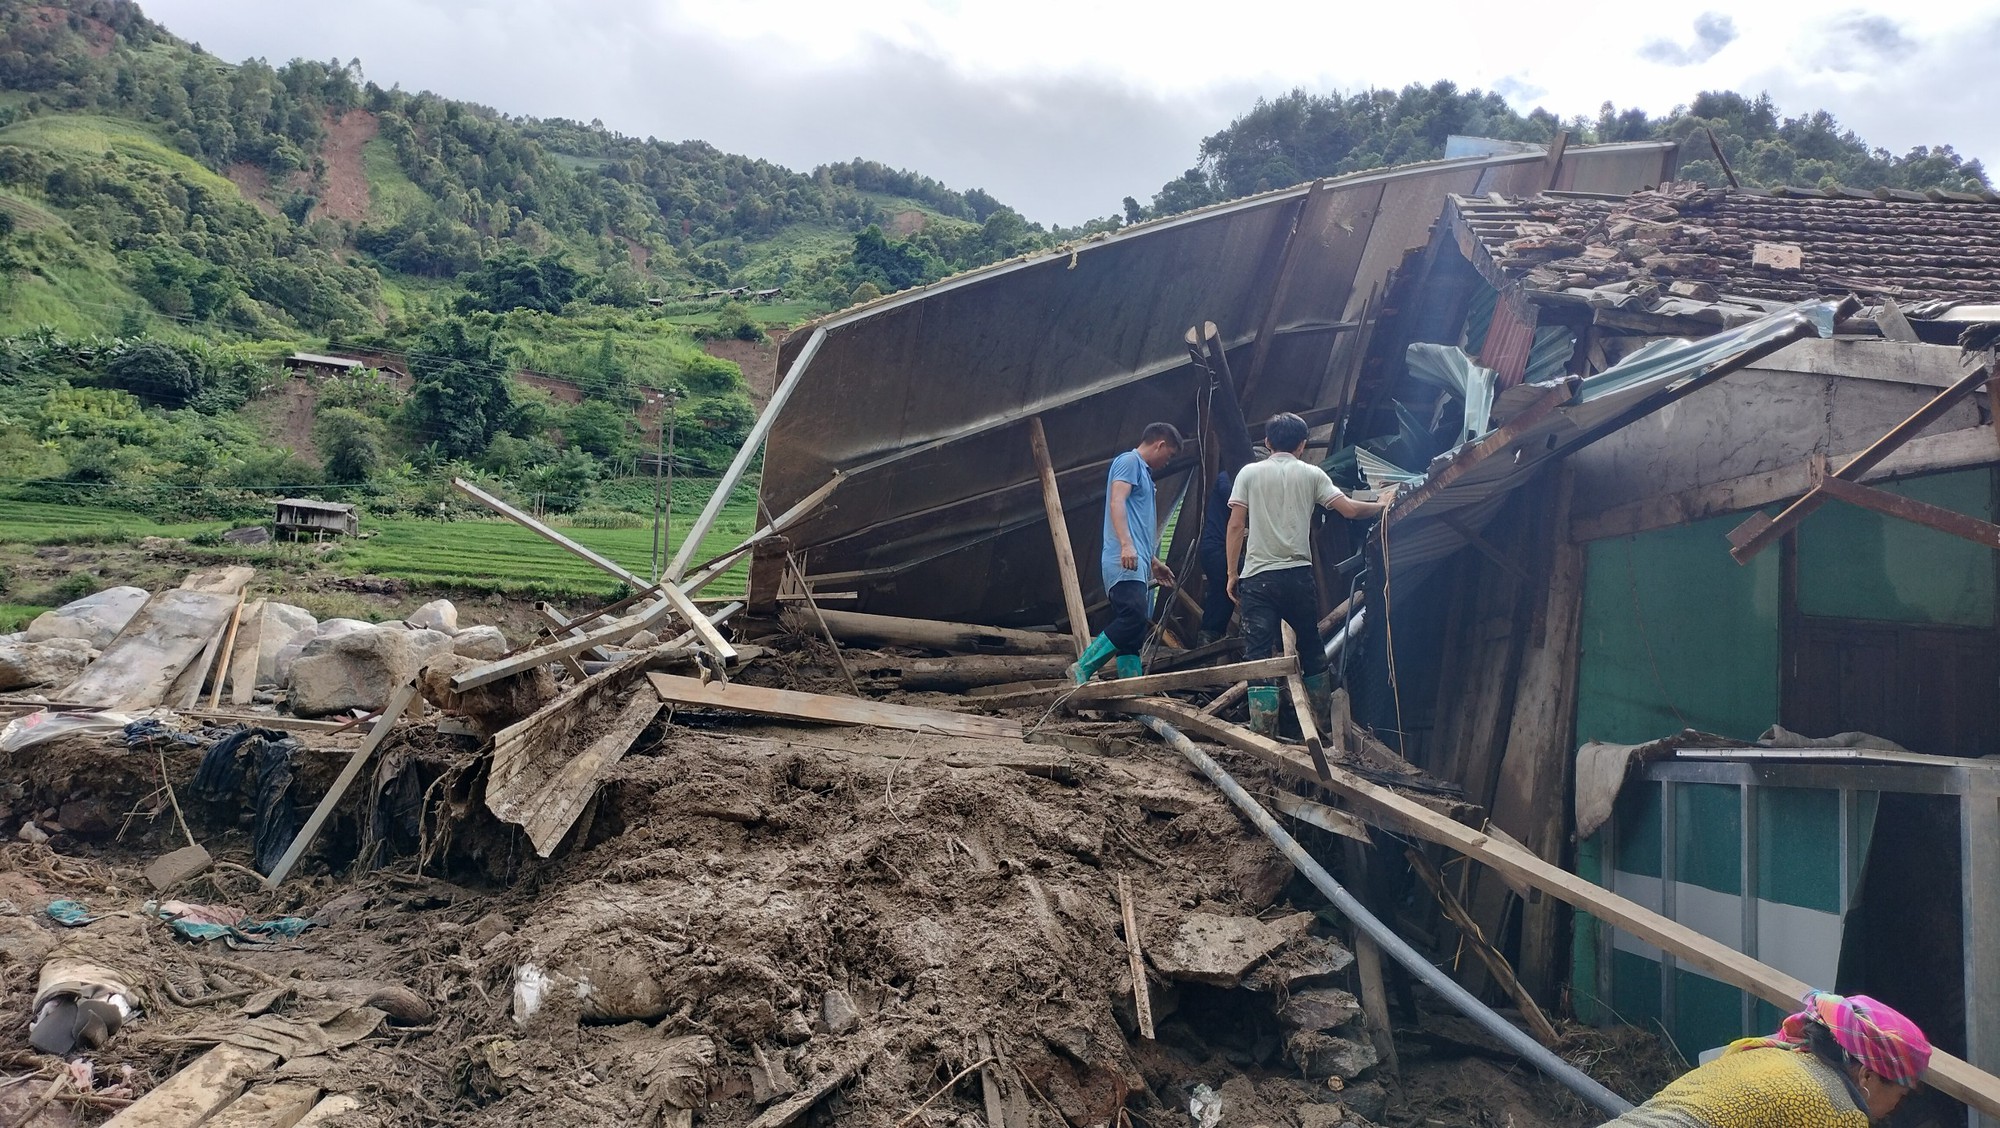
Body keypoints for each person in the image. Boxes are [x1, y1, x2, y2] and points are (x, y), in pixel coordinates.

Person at [1226, 412, 1393, 735]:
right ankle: (1321, 724)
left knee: (1258, 653)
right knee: (1312, 648)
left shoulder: (1249, 473)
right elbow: (1349, 509)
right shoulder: (1312, 474)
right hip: (1298, 576)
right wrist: (1383, 504)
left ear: (1267, 442)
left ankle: (1263, 730)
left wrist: (1233, 573)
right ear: (1302, 445)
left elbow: (1235, 525)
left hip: (1259, 578)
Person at [1598, 989, 1929, 1127]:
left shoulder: (1767, 1053)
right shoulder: (1840, 1111)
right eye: (1898, 1095)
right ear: (1867, 1077)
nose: (1894, 1109)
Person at [1072, 422, 1182, 684]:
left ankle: (1130, 689)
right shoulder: (1129, 461)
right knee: (1132, 615)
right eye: (1171, 454)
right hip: (1123, 561)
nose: (1169, 460)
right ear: (1160, 444)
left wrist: (1153, 561)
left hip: (1138, 561)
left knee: (1133, 633)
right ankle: (1083, 666)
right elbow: (1116, 501)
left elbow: (1137, 523)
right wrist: (1125, 544)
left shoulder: (1144, 473)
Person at [1196, 468, 1235, 647]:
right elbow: (1231, 495)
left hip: (1219, 550)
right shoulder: (1226, 477)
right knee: (1253, 581)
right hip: (1216, 550)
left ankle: (1208, 643)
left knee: (1221, 595)